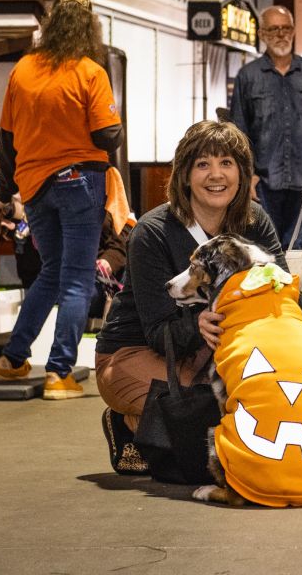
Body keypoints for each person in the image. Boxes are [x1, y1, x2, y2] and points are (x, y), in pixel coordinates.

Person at [94, 121, 289, 471]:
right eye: (203, 164)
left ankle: (160, 422)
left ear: (242, 173)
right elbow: (156, 331)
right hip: (133, 351)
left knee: (253, 401)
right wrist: (196, 325)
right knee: (211, 406)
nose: (217, 175)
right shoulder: (151, 233)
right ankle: (127, 426)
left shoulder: (254, 220)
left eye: (227, 163)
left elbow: (287, 290)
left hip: (217, 350)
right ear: (184, 175)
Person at [0, 0, 123, 400]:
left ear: (51, 25)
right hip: (79, 180)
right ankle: (58, 373)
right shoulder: (90, 71)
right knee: (78, 278)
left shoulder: (23, 71)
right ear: (89, 27)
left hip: (35, 186)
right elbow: (107, 135)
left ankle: (12, 358)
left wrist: (6, 191)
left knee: (52, 270)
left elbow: (6, 141)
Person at [229, 5, 302, 250]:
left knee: (299, 249)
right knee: (266, 248)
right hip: (263, 183)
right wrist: (246, 177)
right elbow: (237, 132)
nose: (280, 34)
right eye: (273, 29)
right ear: (262, 34)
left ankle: (296, 290)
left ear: (293, 31)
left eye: (285, 28)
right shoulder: (248, 76)